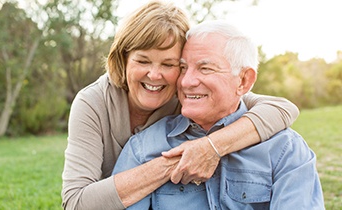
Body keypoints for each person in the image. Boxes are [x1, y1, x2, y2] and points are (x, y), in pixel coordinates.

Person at [61, 1, 300, 209]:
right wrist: (177, 162)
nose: (155, 75)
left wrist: (210, 147)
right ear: (123, 60)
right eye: (143, 61)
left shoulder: (188, 94)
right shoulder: (92, 103)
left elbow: (282, 109)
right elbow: (76, 203)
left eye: (169, 64)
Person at [112, 20, 324, 209]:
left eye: (205, 69)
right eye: (183, 68)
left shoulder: (285, 150)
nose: (186, 82)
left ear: (243, 81)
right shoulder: (143, 148)